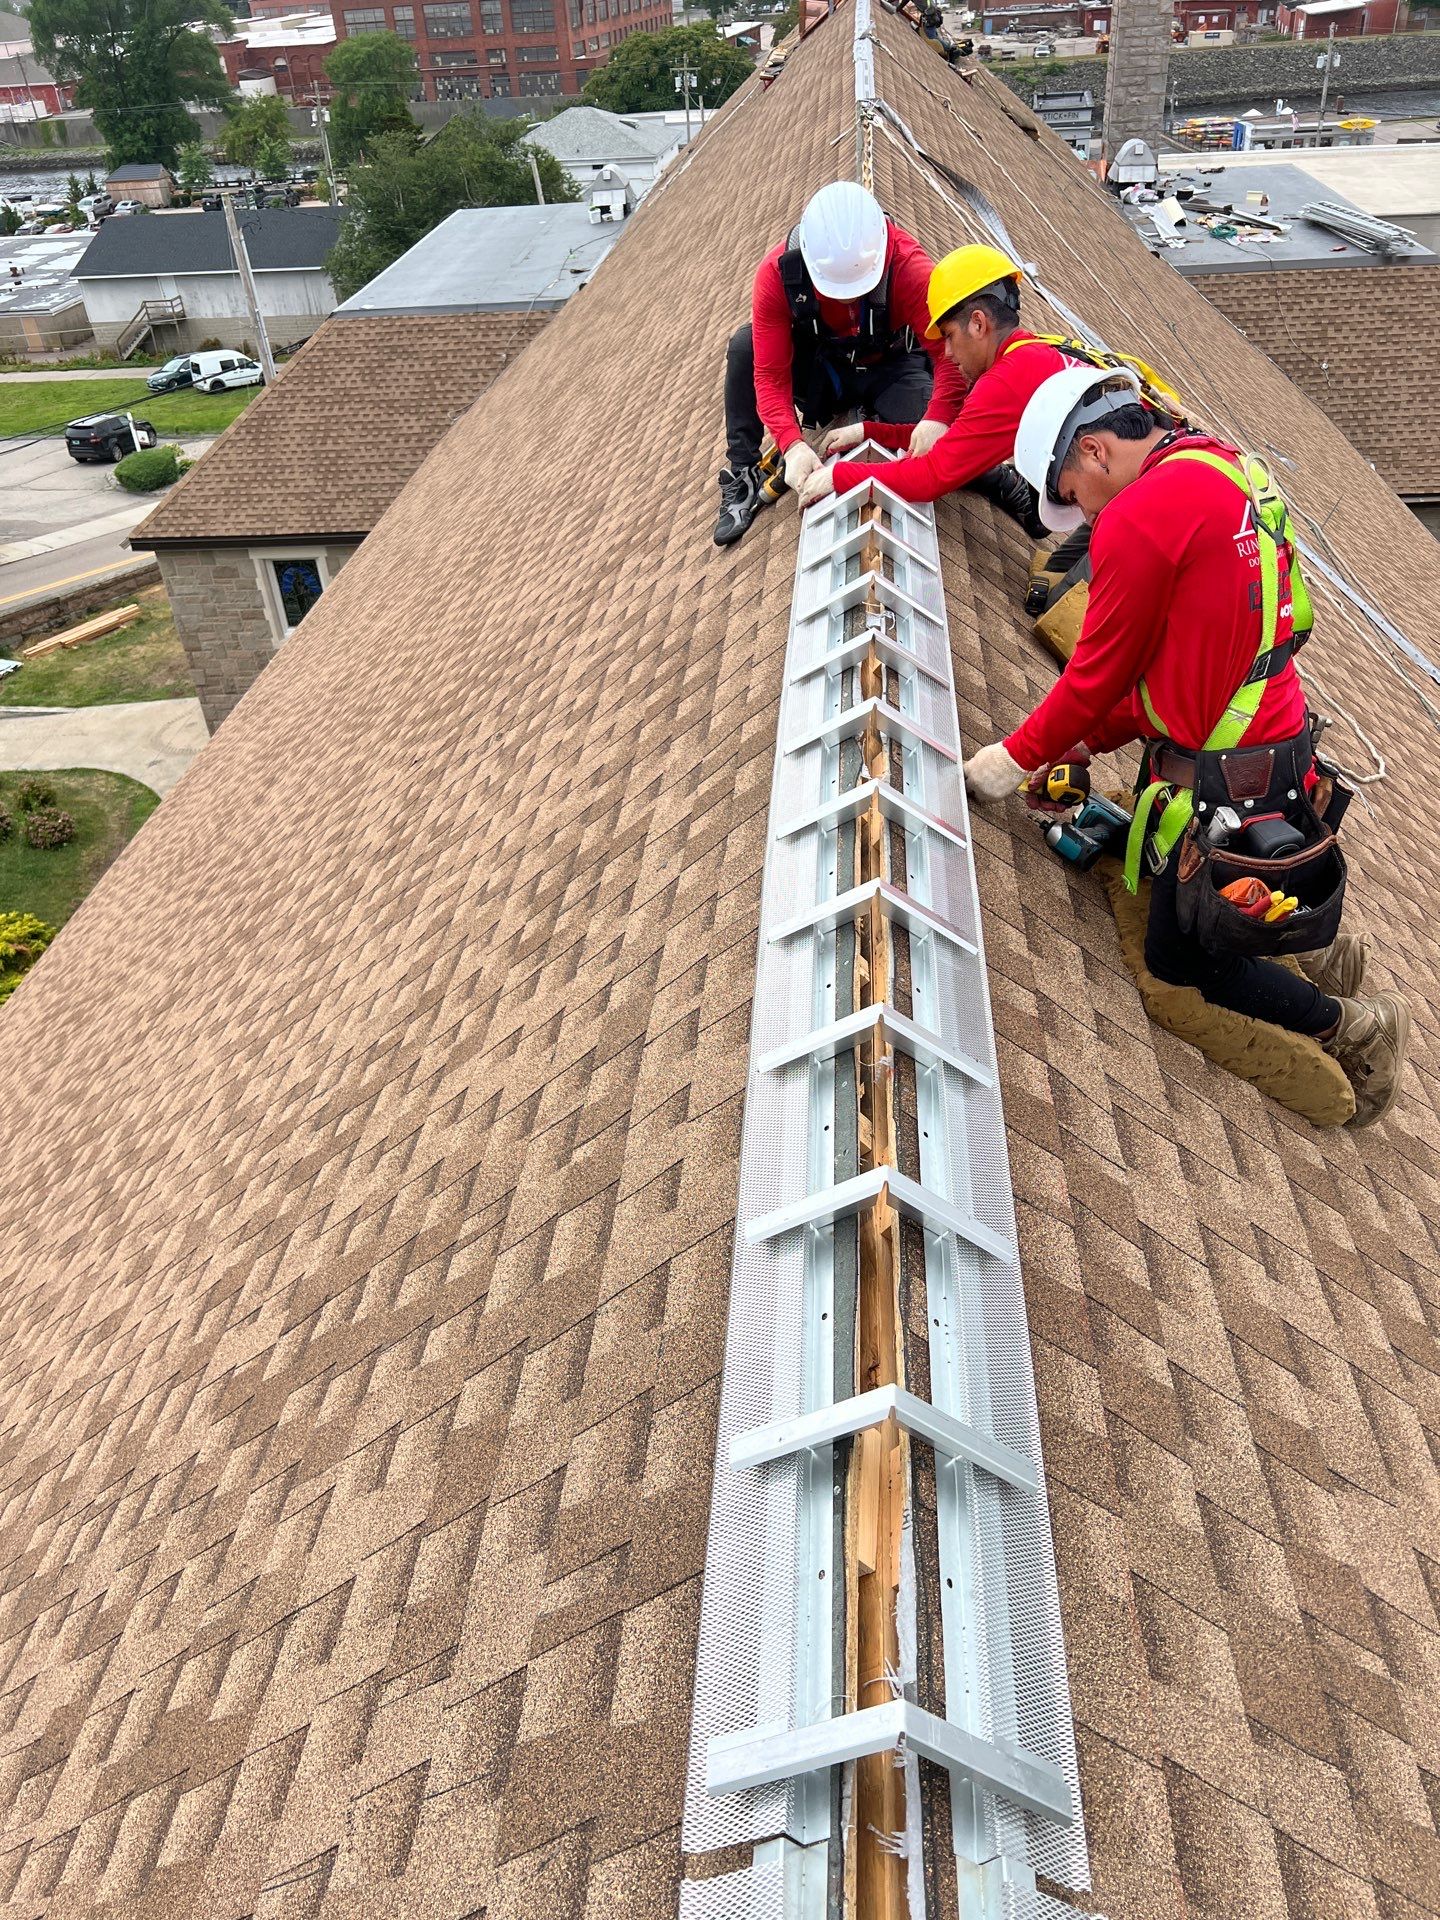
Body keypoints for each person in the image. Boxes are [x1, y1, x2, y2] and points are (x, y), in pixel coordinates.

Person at [962, 365, 1410, 1129]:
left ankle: (1349, 1025)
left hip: (1229, 779)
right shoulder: (1218, 464)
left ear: (1097, 454)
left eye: (1070, 493)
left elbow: (1095, 680)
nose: (1075, 516)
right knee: (1218, 892)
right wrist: (1078, 749)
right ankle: (1323, 953)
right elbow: (1176, 674)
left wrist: (1010, 760)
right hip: (1276, 743)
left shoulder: (1139, 517)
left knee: (1181, 961)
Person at [714, 182, 967, 547]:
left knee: (939, 440)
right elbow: (769, 375)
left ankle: (1001, 482)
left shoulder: (908, 266)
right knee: (743, 347)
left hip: (891, 367)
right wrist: (791, 443)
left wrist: (938, 417)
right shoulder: (778, 274)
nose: (847, 299)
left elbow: (949, 355)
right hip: (825, 371)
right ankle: (742, 470)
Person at [798, 244, 1126, 524]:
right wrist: (869, 432)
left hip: (1129, 500)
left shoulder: (1006, 381)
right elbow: (952, 439)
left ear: (978, 323)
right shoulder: (1035, 351)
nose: (949, 354)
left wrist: (839, 476)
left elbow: (930, 477)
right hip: (1120, 479)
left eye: (950, 337)